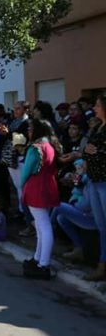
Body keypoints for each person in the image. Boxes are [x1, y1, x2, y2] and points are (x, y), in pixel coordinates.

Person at [20, 118, 60, 280]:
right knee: (41, 226)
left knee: (43, 226)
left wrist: (22, 186)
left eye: (31, 129)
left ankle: (43, 264)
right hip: (47, 185)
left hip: (36, 187)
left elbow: (25, 173)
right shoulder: (49, 146)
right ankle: (38, 258)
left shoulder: (36, 148)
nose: (28, 131)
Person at [83, 93, 106, 280]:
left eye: (97, 105)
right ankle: (102, 263)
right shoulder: (98, 127)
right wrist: (87, 151)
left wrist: (96, 152)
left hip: (104, 182)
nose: (94, 108)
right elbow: (88, 149)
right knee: (101, 225)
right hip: (94, 180)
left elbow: (98, 152)